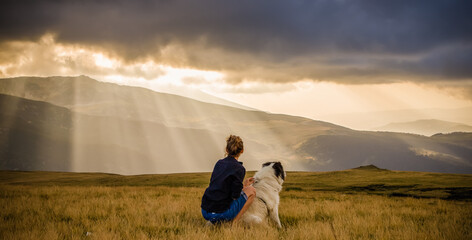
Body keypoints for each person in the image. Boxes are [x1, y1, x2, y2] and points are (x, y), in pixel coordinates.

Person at [201, 135, 256, 224]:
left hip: (205, 212)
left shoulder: (219, 163)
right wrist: (245, 186)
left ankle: (215, 221)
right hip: (221, 214)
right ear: (242, 151)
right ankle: (234, 223)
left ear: (226, 149)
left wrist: (243, 185)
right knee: (252, 191)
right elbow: (235, 195)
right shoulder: (239, 168)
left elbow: (219, 186)